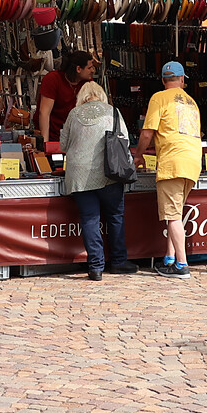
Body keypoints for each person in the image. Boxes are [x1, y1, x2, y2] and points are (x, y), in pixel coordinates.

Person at [61, 81, 137, 280]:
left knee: (89, 218)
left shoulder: (74, 114)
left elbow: (62, 144)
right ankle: (119, 261)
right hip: (109, 174)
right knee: (115, 215)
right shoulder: (113, 112)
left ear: (82, 96)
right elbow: (125, 140)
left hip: (79, 176)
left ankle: (95, 267)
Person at [137, 60, 201, 279]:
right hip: (192, 162)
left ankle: (182, 265)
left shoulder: (158, 98)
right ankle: (170, 258)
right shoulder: (192, 102)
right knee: (176, 213)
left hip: (172, 162)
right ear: (182, 80)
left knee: (172, 216)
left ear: (163, 80)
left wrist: (138, 155)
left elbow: (147, 132)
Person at [36, 49, 98, 146]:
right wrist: (45, 144)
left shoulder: (87, 82)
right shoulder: (53, 79)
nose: (92, 71)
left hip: (75, 137)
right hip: (53, 135)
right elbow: (44, 112)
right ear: (78, 69)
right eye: (89, 67)